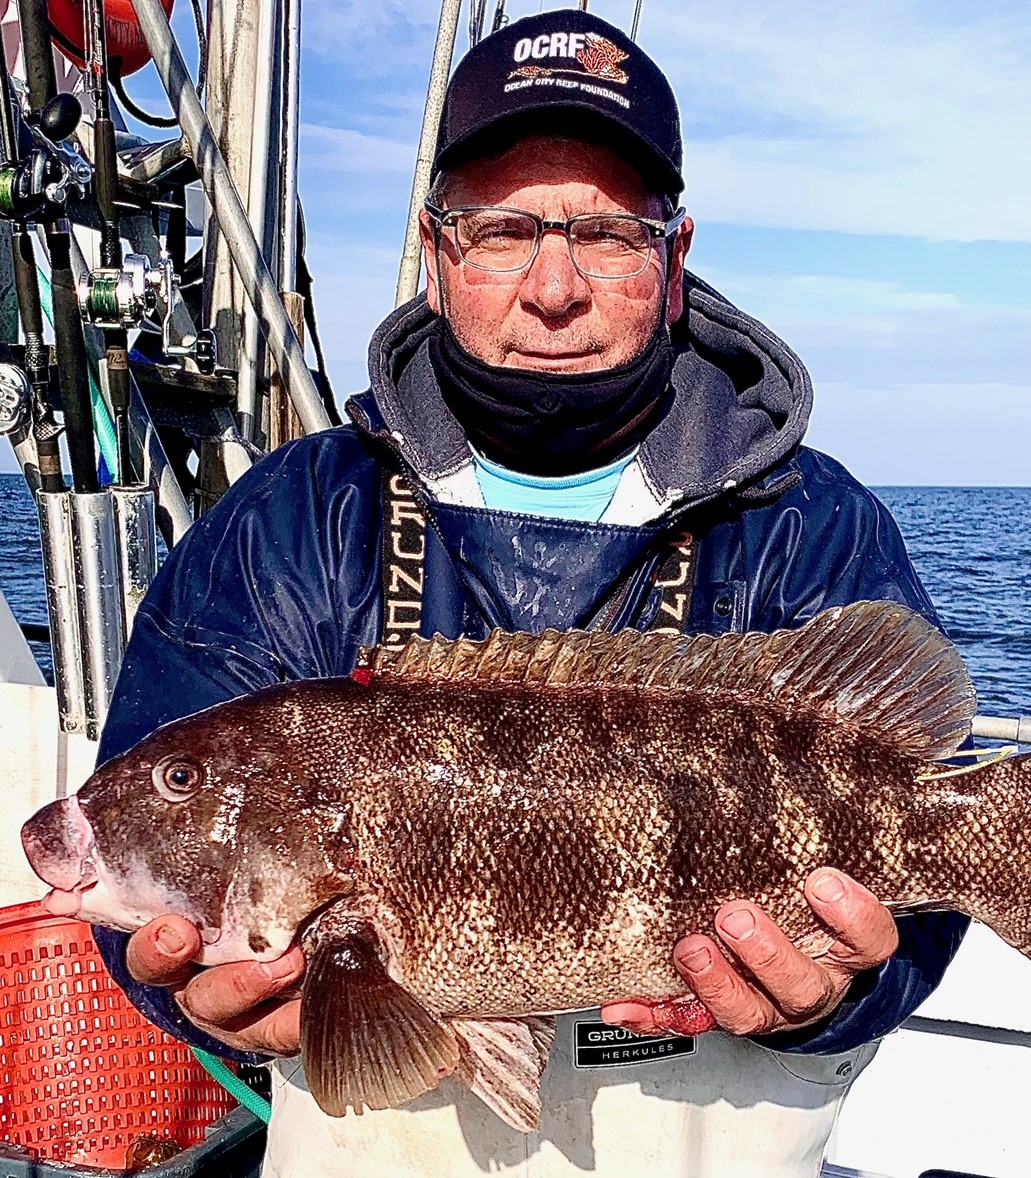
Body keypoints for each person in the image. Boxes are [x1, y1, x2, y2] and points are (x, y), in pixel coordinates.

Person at [93, 11, 967, 1176]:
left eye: (605, 234)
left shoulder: (809, 524)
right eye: (502, 230)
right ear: (436, 249)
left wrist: (836, 993)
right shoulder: (289, 522)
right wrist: (201, 999)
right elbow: (152, 892)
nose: (554, 287)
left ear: (673, 256)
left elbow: (923, 879)